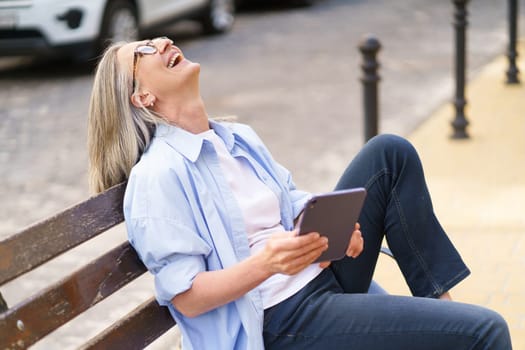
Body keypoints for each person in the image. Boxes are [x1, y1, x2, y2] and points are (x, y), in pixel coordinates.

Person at [87, 36, 512, 350]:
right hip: (279, 319)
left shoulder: (237, 139)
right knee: (487, 331)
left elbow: (292, 204)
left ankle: (445, 310)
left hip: (320, 275)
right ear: (142, 96)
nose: (161, 41)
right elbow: (187, 296)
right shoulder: (158, 176)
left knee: (389, 154)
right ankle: (455, 329)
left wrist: (337, 233)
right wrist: (266, 265)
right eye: (144, 50)